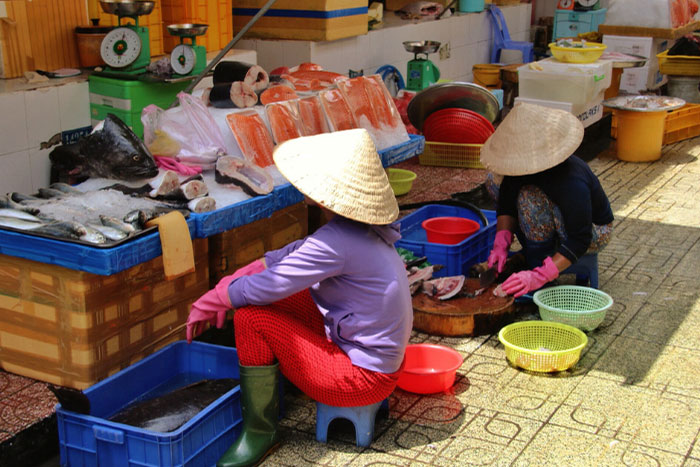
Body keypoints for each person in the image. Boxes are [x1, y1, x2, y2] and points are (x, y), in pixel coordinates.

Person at [186, 129, 413, 467]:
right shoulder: (361, 230)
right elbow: (287, 257)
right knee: (267, 297)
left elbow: (272, 285)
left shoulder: (338, 241)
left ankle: (259, 431)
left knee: (250, 317)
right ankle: (284, 382)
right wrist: (232, 282)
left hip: (360, 380)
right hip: (378, 363)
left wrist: (218, 299)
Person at [479, 103, 614, 298]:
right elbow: (507, 199)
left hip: (593, 232)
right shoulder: (520, 166)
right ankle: (532, 254)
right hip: (559, 221)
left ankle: (537, 263)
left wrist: (539, 276)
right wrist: (501, 243)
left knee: (529, 200)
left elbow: (580, 238)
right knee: (495, 180)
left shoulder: (571, 181)